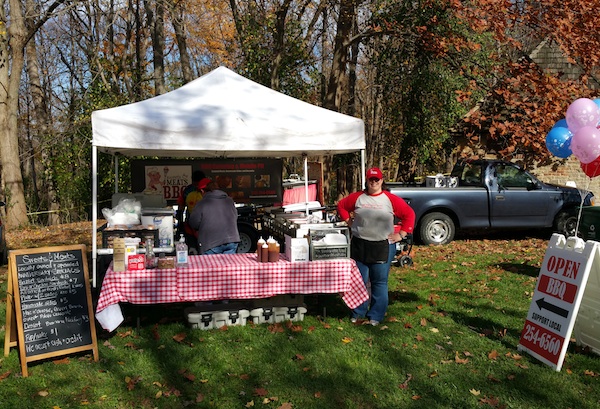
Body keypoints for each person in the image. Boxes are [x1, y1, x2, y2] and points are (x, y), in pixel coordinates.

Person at [337, 167, 415, 326]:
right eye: (371, 179)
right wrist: (348, 221)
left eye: (377, 179)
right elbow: (342, 206)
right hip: (360, 245)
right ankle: (357, 312)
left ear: (381, 180)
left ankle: (376, 316)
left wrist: (401, 234)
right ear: (366, 180)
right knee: (359, 282)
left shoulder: (390, 199)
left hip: (382, 247)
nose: (374, 182)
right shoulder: (358, 197)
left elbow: (409, 215)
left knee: (379, 282)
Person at [188, 179, 240, 254]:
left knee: (211, 265)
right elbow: (235, 217)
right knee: (228, 265)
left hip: (210, 242)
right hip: (231, 240)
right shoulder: (229, 201)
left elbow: (194, 223)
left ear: (202, 191)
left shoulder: (202, 203)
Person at [176, 170, 207, 250]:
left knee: (192, 249)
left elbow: (181, 206)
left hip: (190, 224)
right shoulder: (207, 190)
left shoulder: (187, 190)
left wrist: (180, 221)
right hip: (204, 225)